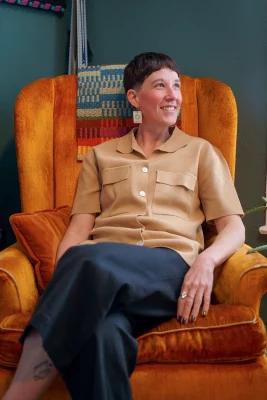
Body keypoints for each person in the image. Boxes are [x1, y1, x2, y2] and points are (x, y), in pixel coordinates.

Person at [3, 52, 245, 400]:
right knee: (104, 335)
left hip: (169, 271)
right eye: (160, 85)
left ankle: (18, 396)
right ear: (134, 97)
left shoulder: (201, 153)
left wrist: (206, 262)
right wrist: (63, 287)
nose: (173, 94)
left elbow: (234, 228)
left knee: (87, 259)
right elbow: (77, 230)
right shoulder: (101, 156)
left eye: (176, 85)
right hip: (102, 273)